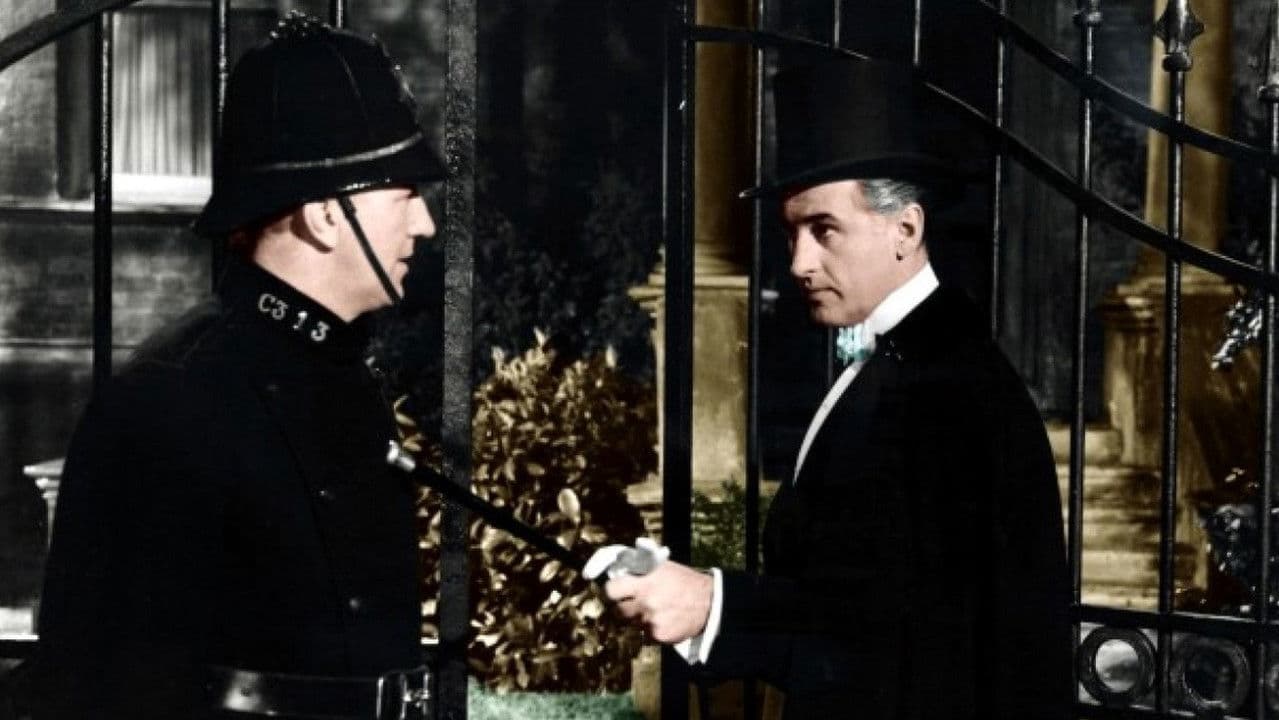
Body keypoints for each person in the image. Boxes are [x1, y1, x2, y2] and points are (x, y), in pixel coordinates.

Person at [601, 58, 1071, 718]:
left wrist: (712, 604)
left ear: (906, 229)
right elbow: (861, 596)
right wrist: (701, 597)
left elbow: (901, 636)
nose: (799, 263)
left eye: (824, 230)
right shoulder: (907, 363)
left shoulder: (944, 388)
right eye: (791, 232)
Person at [21, 13, 443, 719]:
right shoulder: (172, 400)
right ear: (326, 214)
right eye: (405, 194)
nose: (424, 223)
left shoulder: (337, 372)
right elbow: (98, 682)